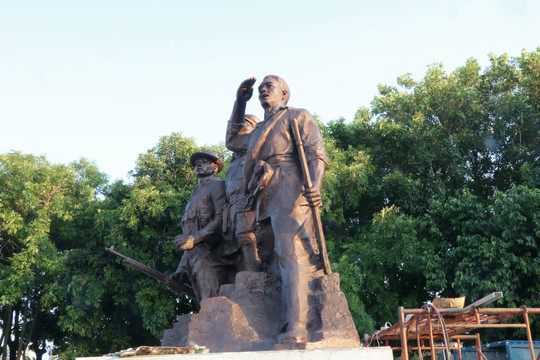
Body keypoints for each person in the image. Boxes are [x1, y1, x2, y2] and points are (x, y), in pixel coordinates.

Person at [226, 75, 329, 344]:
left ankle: (298, 325)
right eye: (260, 88)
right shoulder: (258, 130)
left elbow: (316, 153)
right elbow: (232, 140)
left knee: (291, 251)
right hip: (263, 191)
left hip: (291, 185)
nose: (262, 90)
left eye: (269, 86)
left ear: (285, 93)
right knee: (271, 258)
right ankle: (276, 320)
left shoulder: (296, 115)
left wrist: (315, 185)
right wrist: (239, 102)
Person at [167, 150, 228, 305]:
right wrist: (181, 270)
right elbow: (190, 239)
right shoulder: (194, 196)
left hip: (213, 255)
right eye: (197, 163)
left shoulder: (217, 186)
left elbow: (222, 218)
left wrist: (195, 238)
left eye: (205, 162)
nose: (199, 164)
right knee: (204, 307)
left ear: (215, 168)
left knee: (212, 306)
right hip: (194, 258)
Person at [223, 114, 262, 272]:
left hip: (249, 203)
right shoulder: (233, 163)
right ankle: (246, 277)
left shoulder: (256, 154)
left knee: (248, 237)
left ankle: (257, 277)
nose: (238, 131)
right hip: (232, 209)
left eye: (245, 125)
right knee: (237, 245)